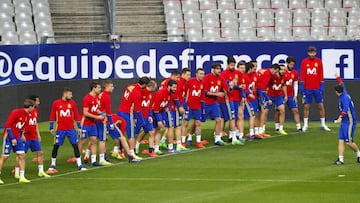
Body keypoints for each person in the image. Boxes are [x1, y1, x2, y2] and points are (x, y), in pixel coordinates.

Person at [47, 87, 87, 173]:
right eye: (69, 94)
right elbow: (52, 115)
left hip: (71, 129)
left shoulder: (72, 103)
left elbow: (76, 115)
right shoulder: (56, 103)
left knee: (75, 145)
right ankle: (52, 164)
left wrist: (79, 127)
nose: (71, 96)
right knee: (56, 146)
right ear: (64, 94)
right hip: (60, 129)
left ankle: (79, 164)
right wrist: (51, 127)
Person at [0, 99, 35, 184]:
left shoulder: (27, 115)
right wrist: (12, 138)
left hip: (18, 137)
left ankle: (22, 176)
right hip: (8, 138)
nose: (34, 109)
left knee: (22, 155)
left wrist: (22, 135)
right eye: (33, 107)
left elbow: (22, 126)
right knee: (5, 157)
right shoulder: (16, 112)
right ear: (30, 107)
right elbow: (8, 126)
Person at [300, 46, 330, 132]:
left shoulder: (319, 62)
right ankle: (305, 125)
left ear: (315, 53)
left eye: (313, 52)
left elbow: (321, 75)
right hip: (307, 88)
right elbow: (302, 75)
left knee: (321, 106)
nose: (312, 54)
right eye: (310, 52)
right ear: (308, 53)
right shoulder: (304, 62)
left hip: (317, 88)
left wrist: (322, 87)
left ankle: (323, 124)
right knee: (306, 106)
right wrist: (302, 88)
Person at [18, 95, 50, 178]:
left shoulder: (36, 111)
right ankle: (17, 171)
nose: (39, 103)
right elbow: (20, 124)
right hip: (26, 136)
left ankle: (41, 171)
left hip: (33, 136)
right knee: (21, 154)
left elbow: (35, 123)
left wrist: (38, 134)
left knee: (40, 152)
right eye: (37, 101)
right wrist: (21, 135)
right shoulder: (24, 112)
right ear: (33, 102)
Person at [118, 77, 150, 157]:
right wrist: (140, 119)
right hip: (128, 113)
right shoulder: (137, 92)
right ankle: (132, 153)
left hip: (121, 111)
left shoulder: (130, 86)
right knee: (131, 135)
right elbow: (137, 109)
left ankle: (119, 150)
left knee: (121, 133)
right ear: (145, 85)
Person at [202, 62, 232, 146]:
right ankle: (189, 137)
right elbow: (204, 92)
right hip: (205, 103)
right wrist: (217, 94)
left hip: (214, 103)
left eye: (220, 69)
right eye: (217, 69)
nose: (219, 71)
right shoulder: (207, 78)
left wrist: (231, 86)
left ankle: (217, 139)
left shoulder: (221, 78)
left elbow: (227, 90)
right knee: (198, 121)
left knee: (218, 120)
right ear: (213, 70)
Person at [333, 73, 360, 165]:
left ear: (337, 92)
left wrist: (340, 118)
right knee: (341, 140)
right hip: (345, 122)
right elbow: (342, 83)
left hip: (349, 121)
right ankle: (341, 159)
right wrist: (338, 77)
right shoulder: (344, 92)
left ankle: (359, 154)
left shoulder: (344, 98)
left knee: (348, 142)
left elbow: (345, 109)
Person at [219, 56, 244, 145]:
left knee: (234, 117)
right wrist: (231, 84)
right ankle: (230, 137)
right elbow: (223, 86)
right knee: (229, 117)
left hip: (236, 98)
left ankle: (231, 136)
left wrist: (242, 97)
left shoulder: (238, 73)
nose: (233, 67)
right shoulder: (223, 74)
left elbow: (240, 85)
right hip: (226, 99)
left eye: (234, 65)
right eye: (231, 65)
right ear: (227, 64)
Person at [79, 81, 104, 166]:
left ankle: (93, 161)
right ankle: (78, 160)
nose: (100, 89)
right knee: (82, 142)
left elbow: (95, 109)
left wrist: (102, 113)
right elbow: (85, 113)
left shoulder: (96, 97)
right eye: (99, 88)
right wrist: (97, 117)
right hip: (85, 123)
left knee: (93, 141)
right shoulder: (87, 98)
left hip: (92, 124)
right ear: (94, 88)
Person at [152, 79, 178, 154]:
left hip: (160, 112)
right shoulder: (160, 93)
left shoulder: (170, 94)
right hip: (153, 113)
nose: (175, 89)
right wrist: (159, 120)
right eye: (173, 87)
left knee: (158, 130)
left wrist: (163, 118)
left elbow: (165, 105)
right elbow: (155, 108)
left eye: (176, 87)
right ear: (169, 86)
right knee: (150, 131)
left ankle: (156, 148)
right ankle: (137, 146)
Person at [183, 68, 206, 148]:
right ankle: (183, 142)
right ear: (196, 74)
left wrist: (203, 107)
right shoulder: (190, 81)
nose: (202, 75)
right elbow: (184, 92)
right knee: (186, 123)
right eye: (200, 74)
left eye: (203, 74)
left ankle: (198, 142)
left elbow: (202, 96)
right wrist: (185, 104)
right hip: (189, 107)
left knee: (198, 123)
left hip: (197, 107)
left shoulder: (203, 83)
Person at [135, 80, 158, 157]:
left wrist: (150, 115)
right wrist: (135, 117)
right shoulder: (141, 92)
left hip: (147, 117)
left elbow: (150, 107)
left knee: (152, 133)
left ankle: (151, 150)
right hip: (139, 116)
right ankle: (135, 147)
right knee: (135, 134)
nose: (155, 89)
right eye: (154, 87)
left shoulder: (151, 95)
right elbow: (136, 105)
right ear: (151, 86)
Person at [257, 63, 280, 136]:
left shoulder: (266, 71)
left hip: (257, 92)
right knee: (263, 112)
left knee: (261, 112)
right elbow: (261, 88)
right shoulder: (267, 75)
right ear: (273, 69)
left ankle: (259, 130)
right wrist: (266, 99)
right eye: (276, 72)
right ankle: (261, 131)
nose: (275, 74)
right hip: (259, 93)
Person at [95, 80, 114, 165]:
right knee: (103, 139)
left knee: (96, 139)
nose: (112, 88)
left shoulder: (100, 95)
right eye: (111, 86)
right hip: (103, 120)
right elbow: (108, 111)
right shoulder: (106, 96)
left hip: (97, 119)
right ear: (106, 87)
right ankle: (102, 159)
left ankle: (88, 156)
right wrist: (111, 122)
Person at [284, 56, 302, 131]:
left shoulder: (295, 73)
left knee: (295, 110)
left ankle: (298, 126)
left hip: (291, 95)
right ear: (287, 64)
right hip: (282, 95)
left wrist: (295, 95)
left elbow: (295, 84)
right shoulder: (282, 72)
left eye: (293, 65)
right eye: (290, 64)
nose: (292, 66)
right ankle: (277, 127)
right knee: (279, 111)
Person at [269, 65, 288, 135]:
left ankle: (281, 128)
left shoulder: (284, 77)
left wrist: (285, 95)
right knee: (265, 111)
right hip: (270, 95)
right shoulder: (273, 76)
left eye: (284, 70)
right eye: (281, 70)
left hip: (279, 96)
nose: (283, 71)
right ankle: (262, 129)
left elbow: (283, 85)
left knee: (282, 110)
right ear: (278, 70)